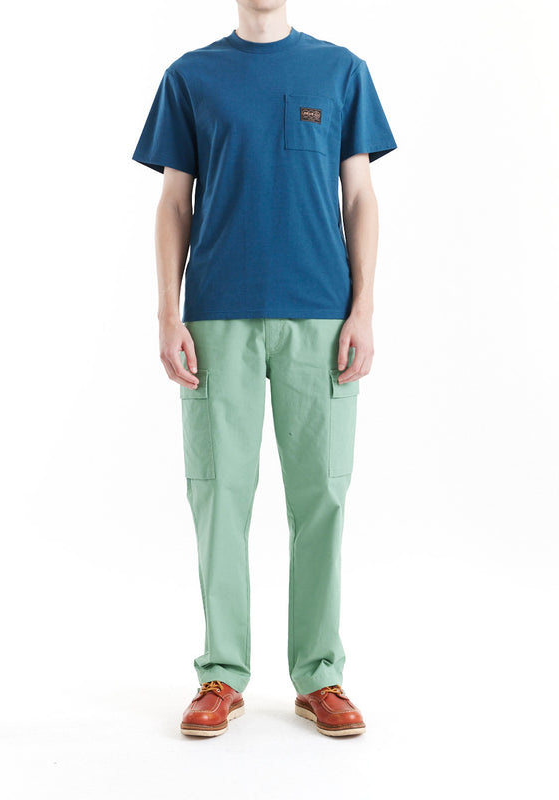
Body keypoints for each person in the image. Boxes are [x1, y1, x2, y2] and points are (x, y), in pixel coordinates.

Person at [132, 1, 397, 738]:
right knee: (219, 494)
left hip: (322, 315)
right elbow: (174, 202)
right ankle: (221, 673)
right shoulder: (190, 77)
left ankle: (321, 675)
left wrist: (364, 309)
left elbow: (359, 197)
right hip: (219, 315)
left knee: (323, 495)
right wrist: (167, 313)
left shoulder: (341, 72)